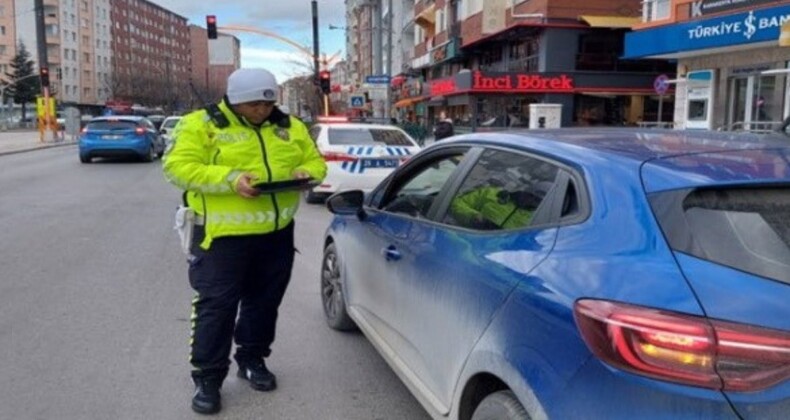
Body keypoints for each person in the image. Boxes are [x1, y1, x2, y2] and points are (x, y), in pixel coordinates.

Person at [163, 68, 327, 415]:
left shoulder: (289, 126)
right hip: (221, 237)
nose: (262, 111)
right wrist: (230, 179)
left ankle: (252, 358)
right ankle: (207, 377)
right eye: (254, 105)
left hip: (276, 235)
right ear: (235, 101)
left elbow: (314, 160)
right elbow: (176, 166)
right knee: (216, 307)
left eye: (267, 104)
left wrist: (307, 173)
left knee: (264, 303)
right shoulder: (201, 125)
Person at [449, 186, 541, 230]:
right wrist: (472, 216)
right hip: (463, 239)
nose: (532, 201)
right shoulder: (492, 195)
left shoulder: (536, 222)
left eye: (537, 200)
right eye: (530, 195)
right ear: (525, 190)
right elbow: (453, 203)